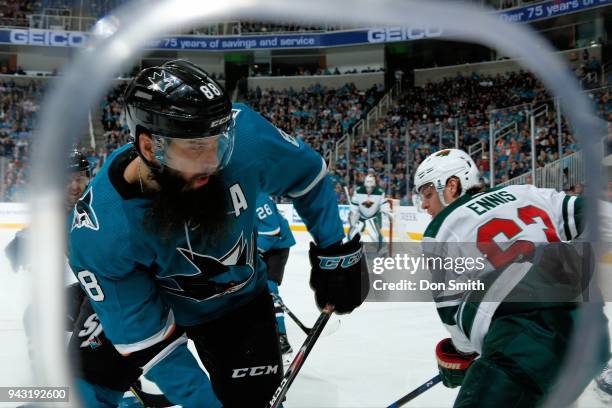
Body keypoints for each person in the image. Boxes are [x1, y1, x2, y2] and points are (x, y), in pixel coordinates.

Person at [68, 60, 368, 408]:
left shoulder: (246, 138)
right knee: (84, 392)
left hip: (237, 303)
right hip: (154, 301)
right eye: (196, 148)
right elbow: (147, 339)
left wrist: (333, 248)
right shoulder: (101, 230)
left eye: (218, 142)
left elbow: (308, 176)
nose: (213, 160)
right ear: (150, 147)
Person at [412, 148, 609, 407]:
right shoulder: (527, 193)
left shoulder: (438, 232)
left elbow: (453, 314)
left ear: (452, 186)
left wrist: (460, 355)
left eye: (427, 193)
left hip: (522, 339)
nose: (424, 204)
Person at [255, 193, 296, 365]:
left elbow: (272, 231)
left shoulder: (258, 197)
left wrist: (253, 253)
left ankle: (281, 338)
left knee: (270, 289)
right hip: (261, 244)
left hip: (276, 247)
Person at [348, 174, 390, 252]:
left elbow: (384, 205)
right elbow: (354, 206)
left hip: (375, 215)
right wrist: (353, 215)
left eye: (371, 188)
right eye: (367, 187)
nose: (369, 190)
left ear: (374, 186)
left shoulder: (380, 192)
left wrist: (387, 212)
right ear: (364, 185)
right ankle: (353, 247)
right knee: (353, 232)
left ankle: (382, 248)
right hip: (361, 215)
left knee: (375, 233)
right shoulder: (358, 191)